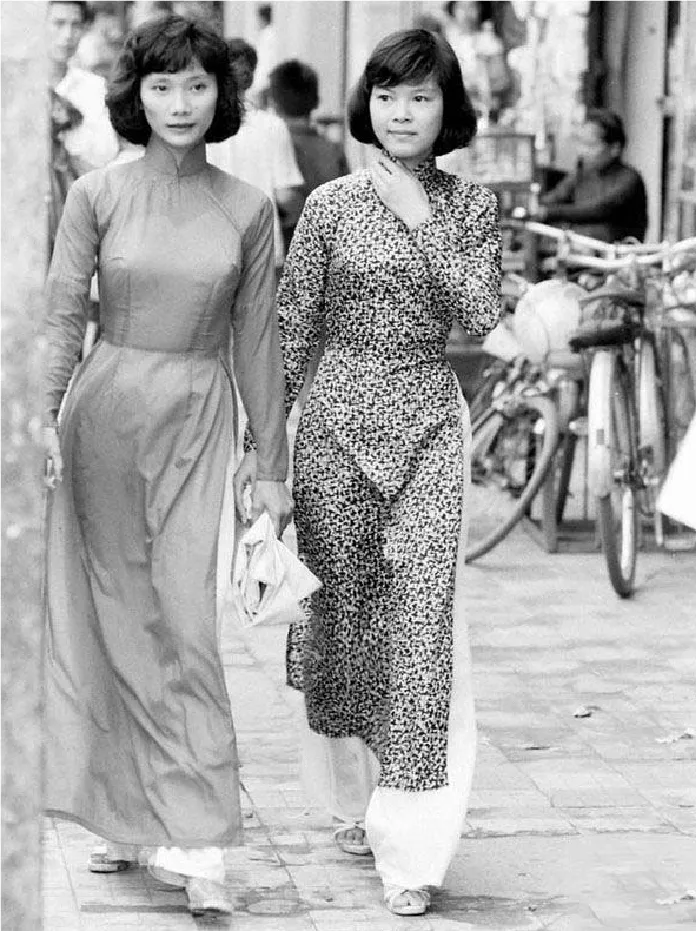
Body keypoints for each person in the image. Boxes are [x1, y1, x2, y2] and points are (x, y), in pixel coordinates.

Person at [235, 27, 501, 917]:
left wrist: (421, 218)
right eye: (388, 95)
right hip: (333, 429)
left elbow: (480, 313)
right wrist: (263, 453)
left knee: (422, 625)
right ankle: (358, 796)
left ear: (446, 108)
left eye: (421, 97)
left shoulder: (470, 207)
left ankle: (414, 848)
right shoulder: (331, 205)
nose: (402, 112)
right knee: (342, 620)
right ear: (367, 104)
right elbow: (291, 328)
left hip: (428, 425)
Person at [42, 14, 292, 918]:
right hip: (103, 415)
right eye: (162, 85)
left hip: (198, 415)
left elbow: (257, 339)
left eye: (197, 85)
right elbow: (63, 312)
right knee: (108, 615)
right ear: (135, 96)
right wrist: (37, 415)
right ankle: (122, 810)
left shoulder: (247, 207)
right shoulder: (96, 194)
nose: (180, 103)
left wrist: (271, 462)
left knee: (184, 620)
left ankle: (197, 833)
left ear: (222, 95)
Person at [208, 38, 304, 278]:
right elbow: (286, 197)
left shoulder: (199, 125)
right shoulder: (272, 126)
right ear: (251, 77)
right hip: (261, 251)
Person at [268, 59, 349, 253]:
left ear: (274, 103)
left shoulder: (270, 148)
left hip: (285, 254)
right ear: (316, 101)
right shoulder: (332, 149)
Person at [533, 109, 649, 242]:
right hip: (579, 251)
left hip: (614, 252)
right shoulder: (581, 174)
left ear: (614, 148)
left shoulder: (629, 179)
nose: (582, 152)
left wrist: (548, 212)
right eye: (581, 143)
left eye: (590, 145)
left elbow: (599, 209)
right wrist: (532, 206)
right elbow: (555, 197)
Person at [48, 1, 120, 177]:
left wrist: (71, 123)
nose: (68, 34)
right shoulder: (17, 86)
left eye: (76, 25)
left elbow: (106, 154)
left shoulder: (93, 87)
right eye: (59, 23)